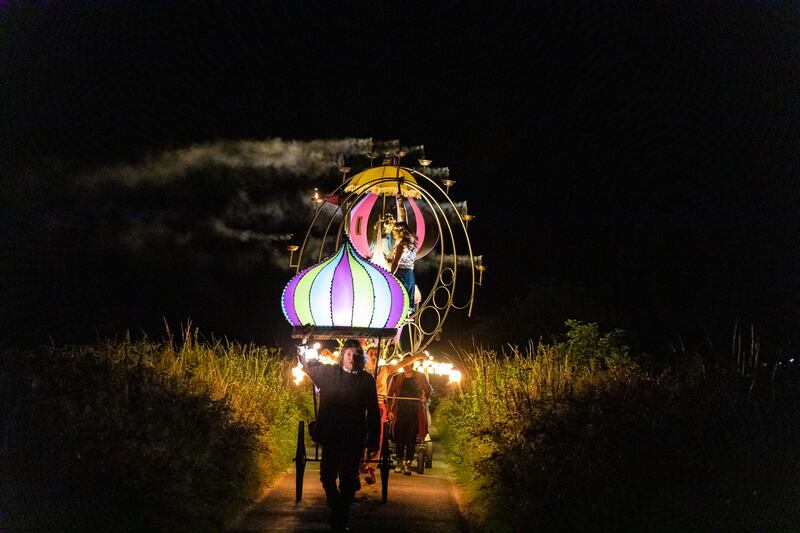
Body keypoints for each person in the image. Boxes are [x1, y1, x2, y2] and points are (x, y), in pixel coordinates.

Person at [299, 339, 380, 532]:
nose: (351, 358)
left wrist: (373, 439)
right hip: (331, 434)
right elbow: (308, 365)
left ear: (360, 357)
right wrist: (304, 344)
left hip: (353, 436)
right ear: (343, 355)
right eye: (348, 354)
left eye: (355, 354)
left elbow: (373, 412)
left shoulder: (366, 380)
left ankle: (341, 518)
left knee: (348, 480)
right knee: (327, 475)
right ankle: (336, 506)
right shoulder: (329, 373)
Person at [362, 346, 427, 484]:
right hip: (361, 406)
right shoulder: (360, 370)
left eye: (375, 354)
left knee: (377, 437)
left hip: (378, 406)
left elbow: (402, 364)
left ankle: (371, 469)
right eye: (371, 354)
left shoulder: (385, 369)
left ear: (379, 356)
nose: (373, 356)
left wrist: (417, 357)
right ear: (366, 356)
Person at [386, 354, 432, 475]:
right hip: (400, 412)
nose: (407, 366)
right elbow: (389, 395)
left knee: (411, 439)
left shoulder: (420, 377)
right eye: (405, 364)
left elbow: (428, 390)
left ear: (413, 364)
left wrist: (424, 397)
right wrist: (389, 411)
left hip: (414, 413)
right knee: (399, 438)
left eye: (409, 364)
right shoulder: (396, 378)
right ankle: (400, 463)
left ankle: (408, 463)